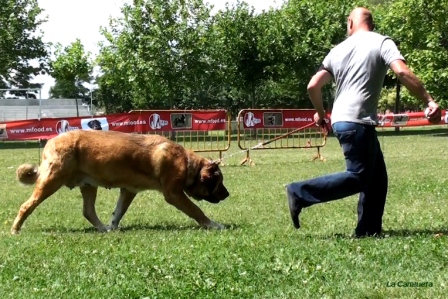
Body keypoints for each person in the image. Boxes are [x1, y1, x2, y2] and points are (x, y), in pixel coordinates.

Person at [285, 7, 440, 237]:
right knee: (358, 176)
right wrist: (428, 99)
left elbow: (313, 85)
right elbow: (402, 72)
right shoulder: (382, 42)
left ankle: (367, 231)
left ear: (350, 23)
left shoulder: (337, 50)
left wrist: (321, 114)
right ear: (372, 24)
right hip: (357, 121)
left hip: (345, 121)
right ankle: (299, 192)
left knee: (377, 179)